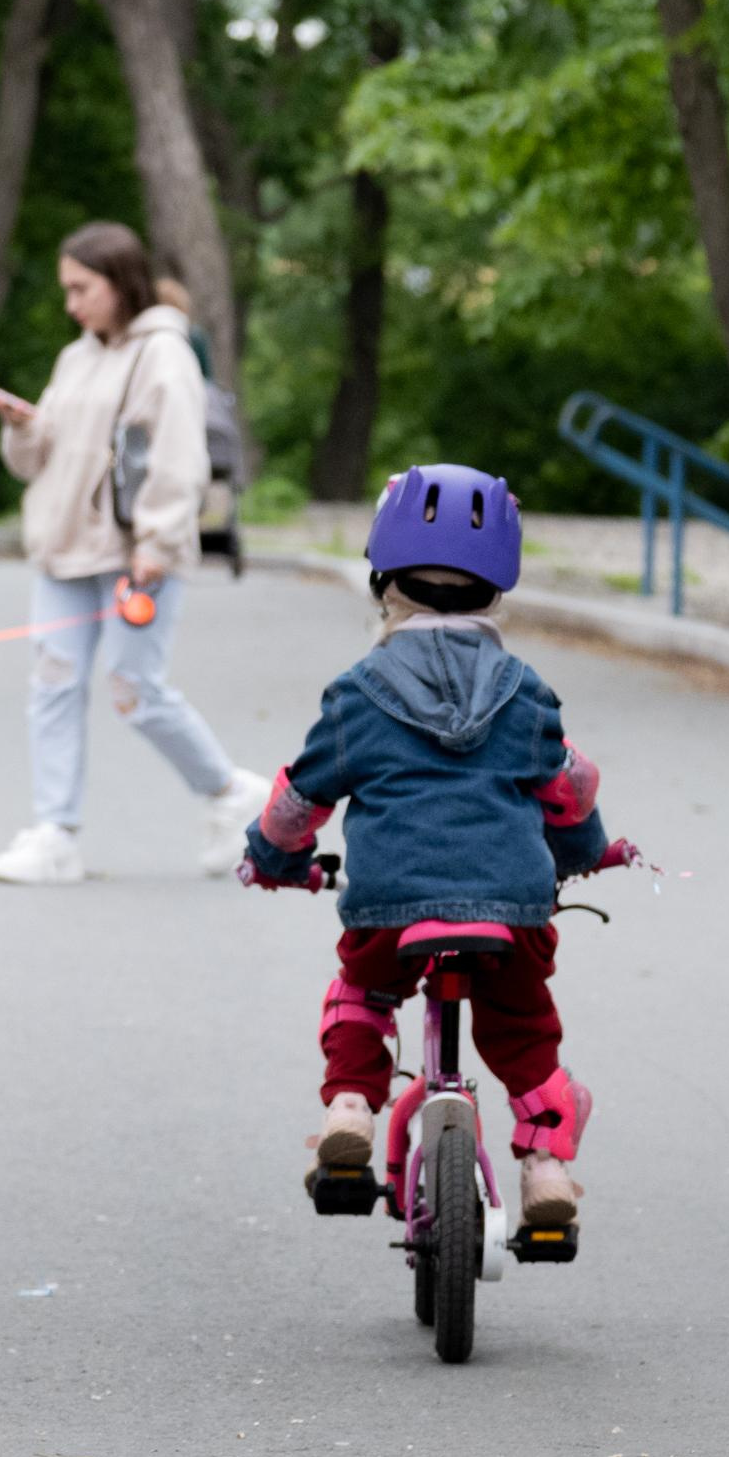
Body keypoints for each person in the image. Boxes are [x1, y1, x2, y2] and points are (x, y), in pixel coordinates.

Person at [234, 464, 633, 1228]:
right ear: (498, 592)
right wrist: (583, 850)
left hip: (390, 902)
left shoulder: (357, 692)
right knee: (522, 1028)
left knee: (361, 991)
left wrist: (272, 858)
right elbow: (569, 787)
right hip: (510, 908)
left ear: (383, 583)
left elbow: (300, 796)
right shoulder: (527, 692)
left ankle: (351, 1108)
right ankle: (545, 1168)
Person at [0, 221, 267, 884]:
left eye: (82, 288)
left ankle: (228, 793)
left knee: (136, 692)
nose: (72, 303)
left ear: (119, 281)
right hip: (64, 552)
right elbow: (36, 461)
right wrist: (22, 429)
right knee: (51, 687)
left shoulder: (162, 352)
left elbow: (178, 459)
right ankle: (56, 833)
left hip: (136, 555)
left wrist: (158, 546)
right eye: (67, 289)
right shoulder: (77, 356)